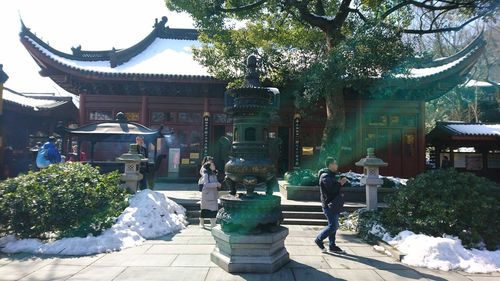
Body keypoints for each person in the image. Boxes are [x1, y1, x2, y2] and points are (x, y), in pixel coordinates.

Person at [315, 157, 348, 253]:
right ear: (330, 165)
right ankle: (319, 239)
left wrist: (341, 182)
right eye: (335, 163)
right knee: (333, 226)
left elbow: (335, 187)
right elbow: (331, 190)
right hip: (329, 204)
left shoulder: (331, 175)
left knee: (333, 225)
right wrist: (340, 183)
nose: (337, 165)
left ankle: (332, 246)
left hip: (334, 204)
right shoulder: (325, 176)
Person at [199, 159, 221, 228]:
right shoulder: (206, 175)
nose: (214, 166)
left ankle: (213, 224)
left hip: (213, 195)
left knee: (213, 210)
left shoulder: (214, 174)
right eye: (213, 165)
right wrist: (216, 184)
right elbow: (206, 184)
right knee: (205, 210)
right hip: (207, 195)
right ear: (209, 167)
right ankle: (202, 223)